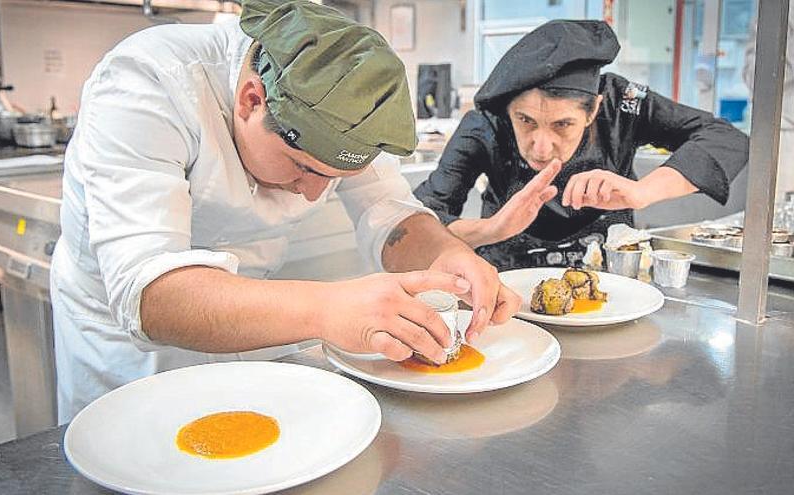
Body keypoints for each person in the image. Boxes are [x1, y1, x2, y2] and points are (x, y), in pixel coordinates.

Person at [52, 0, 526, 422]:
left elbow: (389, 209)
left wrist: (446, 256)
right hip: (125, 341)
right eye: (302, 167)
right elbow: (150, 293)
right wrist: (329, 308)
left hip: (252, 314)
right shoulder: (147, 82)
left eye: (333, 177)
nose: (313, 194)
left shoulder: (345, 103)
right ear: (251, 100)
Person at [414, 20, 749, 270]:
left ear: (593, 110)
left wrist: (642, 191)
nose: (541, 148)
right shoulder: (486, 121)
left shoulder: (622, 103)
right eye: (525, 121)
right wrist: (491, 228)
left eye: (563, 124)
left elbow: (725, 138)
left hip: (611, 277)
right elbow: (420, 219)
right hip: (505, 281)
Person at [743, 7, 794, 197]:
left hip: (780, 129)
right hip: (781, 132)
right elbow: (757, 78)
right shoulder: (772, 12)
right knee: (779, 215)